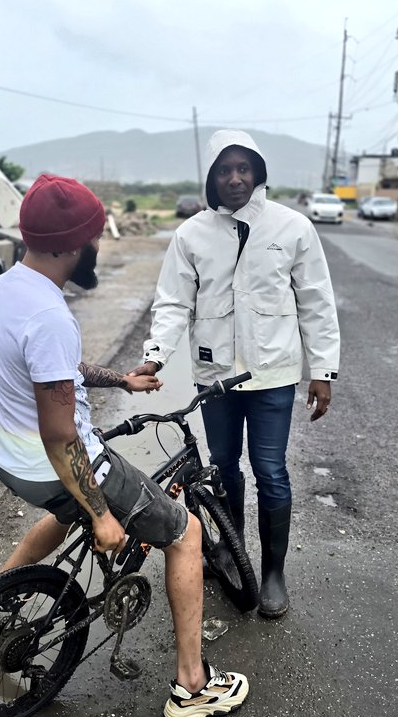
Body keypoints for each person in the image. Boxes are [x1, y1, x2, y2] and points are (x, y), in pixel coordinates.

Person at [0, 173, 249, 717]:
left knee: (63, 511)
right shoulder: (50, 315)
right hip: (56, 462)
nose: (99, 244)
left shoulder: (1, 291)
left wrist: (121, 381)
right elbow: (61, 436)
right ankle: (193, 687)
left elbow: (56, 374)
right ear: (73, 245)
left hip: (10, 463)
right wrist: (100, 513)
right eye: (95, 236)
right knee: (186, 532)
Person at [132, 130, 340, 619]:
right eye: (224, 170)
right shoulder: (191, 235)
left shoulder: (291, 227)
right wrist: (156, 356)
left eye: (244, 168)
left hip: (274, 374)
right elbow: (172, 301)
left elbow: (316, 301)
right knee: (223, 466)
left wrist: (323, 370)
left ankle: (272, 571)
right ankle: (234, 549)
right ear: (211, 178)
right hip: (216, 374)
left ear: (259, 172)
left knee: (271, 471)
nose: (235, 178)